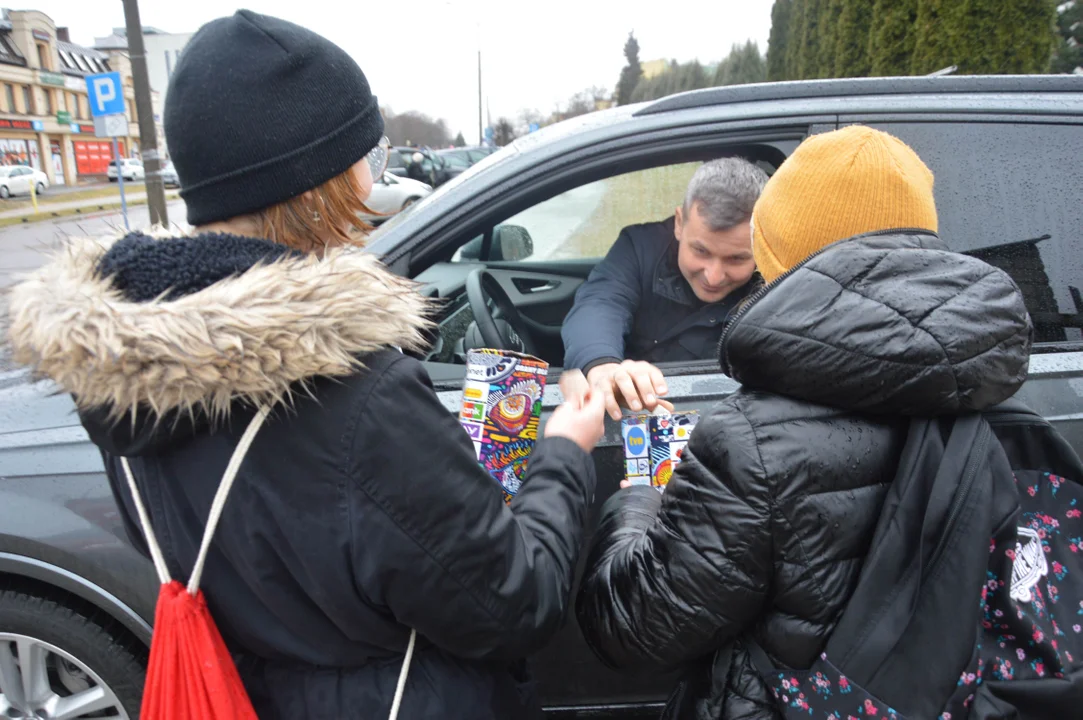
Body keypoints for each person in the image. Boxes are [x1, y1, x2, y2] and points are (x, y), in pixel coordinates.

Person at [6, 11, 605, 720]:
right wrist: (565, 452)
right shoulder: (360, 397)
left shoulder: (116, 366)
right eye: (366, 156)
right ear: (317, 179)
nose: (370, 180)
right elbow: (515, 603)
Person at [571, 126, 1033, 718]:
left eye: (740, 255)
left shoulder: (749, 444)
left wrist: (638, 500)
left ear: (773, 255)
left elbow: (633, 630)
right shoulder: (997, 391)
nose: (715, 276)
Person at [561, 157, 768, 420]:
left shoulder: (779, 281)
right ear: (679, 223)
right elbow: (599, 304)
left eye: (737, 259)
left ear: (762, 242)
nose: (714, 277)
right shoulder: (639, 249)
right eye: (701, 251)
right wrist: (602, 366)